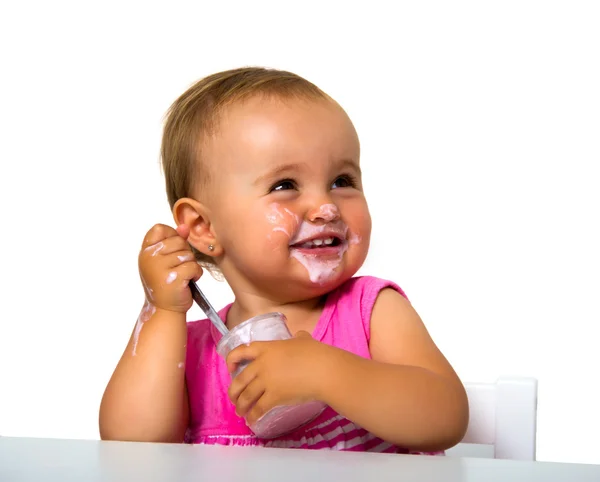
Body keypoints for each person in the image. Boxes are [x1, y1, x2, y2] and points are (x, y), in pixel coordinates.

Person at [99, 67, 469, 454]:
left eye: (342, 181)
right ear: (204, 227)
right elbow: (132, 451)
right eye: (285, 186)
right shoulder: (189, 350)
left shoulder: (371, 312)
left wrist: (326, 371)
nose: (326, 207)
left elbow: (446, 418)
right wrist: (160, 312)